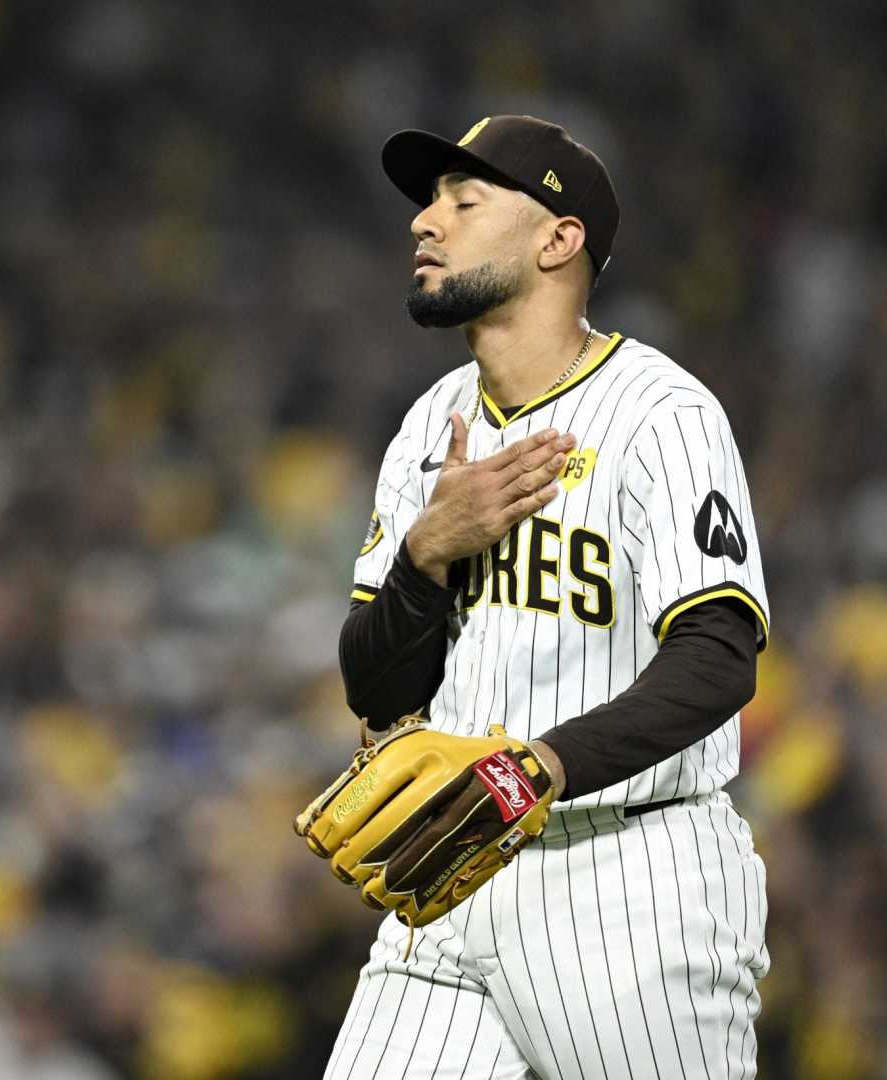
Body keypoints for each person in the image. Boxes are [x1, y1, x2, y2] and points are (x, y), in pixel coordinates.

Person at [327, 115, 772, 1079]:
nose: (424, 223)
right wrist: (425, 555)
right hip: (450, 874)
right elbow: (375, 687)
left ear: (557, 240)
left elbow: (718, 661)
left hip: (630, 882)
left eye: (463, 200)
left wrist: (539, 768)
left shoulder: (665, 414)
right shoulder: (427, 429)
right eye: (427, 201)